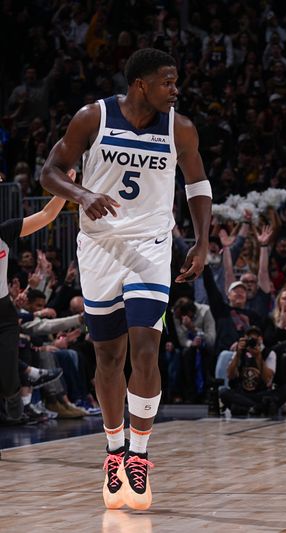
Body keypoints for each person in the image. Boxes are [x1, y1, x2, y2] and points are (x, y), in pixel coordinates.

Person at [40, 49, 212, 509]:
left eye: (176, 82)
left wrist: (201, 241)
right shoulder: (93, 117)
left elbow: (197, 185)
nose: (175, 90)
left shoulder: (181, 127)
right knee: (108, 356)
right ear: (140, 84)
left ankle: (139, 453)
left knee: (145, 345)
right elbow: (49, 171)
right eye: (167, 82)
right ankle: (113, 449)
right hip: (99, 246)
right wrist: (82, 194)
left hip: (152, 246)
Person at [0, 172, 76, 423]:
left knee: (9, 371)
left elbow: (46, 215)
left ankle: (13, 394)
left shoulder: (6, 231)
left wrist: (63, 189)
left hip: (4, 314)